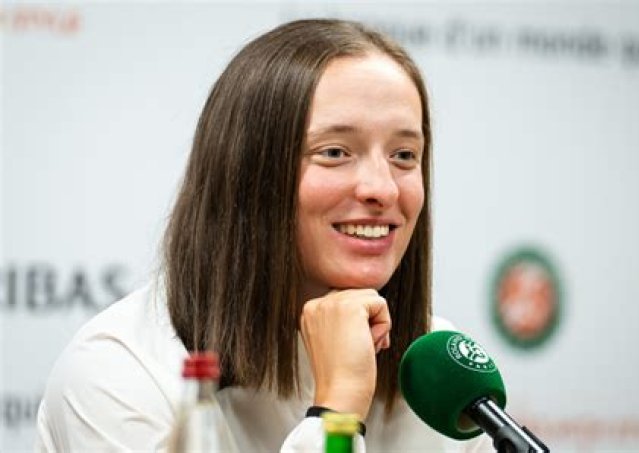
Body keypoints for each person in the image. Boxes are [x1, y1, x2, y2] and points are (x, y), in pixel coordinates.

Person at [36, 18, 493, 452]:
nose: (383, 188)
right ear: (247, 174)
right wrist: (336, 410)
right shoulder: (118, 371)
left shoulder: (440, 372)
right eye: (335, 152)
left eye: (404, 155)